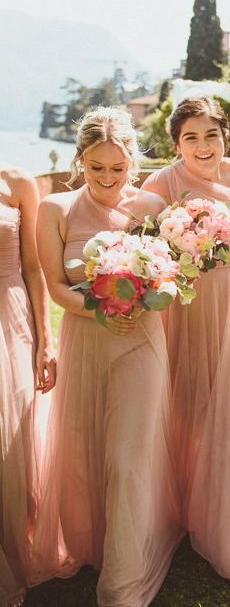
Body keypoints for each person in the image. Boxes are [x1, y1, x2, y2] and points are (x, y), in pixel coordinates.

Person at [31, 107, 182, 606]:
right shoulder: (55, 208)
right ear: (80, 162)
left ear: (132, 161)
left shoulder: (152, 207)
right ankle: (89, 545)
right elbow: (54, 285)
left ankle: (122, 577)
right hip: (86, 339)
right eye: (97, 168)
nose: (108, 179)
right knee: (84, 448)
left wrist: (147, 295)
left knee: (127, 456)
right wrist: (97, 309)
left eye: (117, 169)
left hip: (140, 340)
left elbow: (171, 279)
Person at [142, 96, 230, 583]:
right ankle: (178, 509)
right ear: (177, 143)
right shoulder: (162, 182)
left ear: (226, 135)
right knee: (184, 406)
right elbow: (137, 234)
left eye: (211, 135)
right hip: (183, 309)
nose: (202, 146)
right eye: (190, 137)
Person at [0, 166, 54, 607]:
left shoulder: (18, 184)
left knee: (11, 436)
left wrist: (46, 341)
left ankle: (14, 546)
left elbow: (34, 268)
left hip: (10, 320)